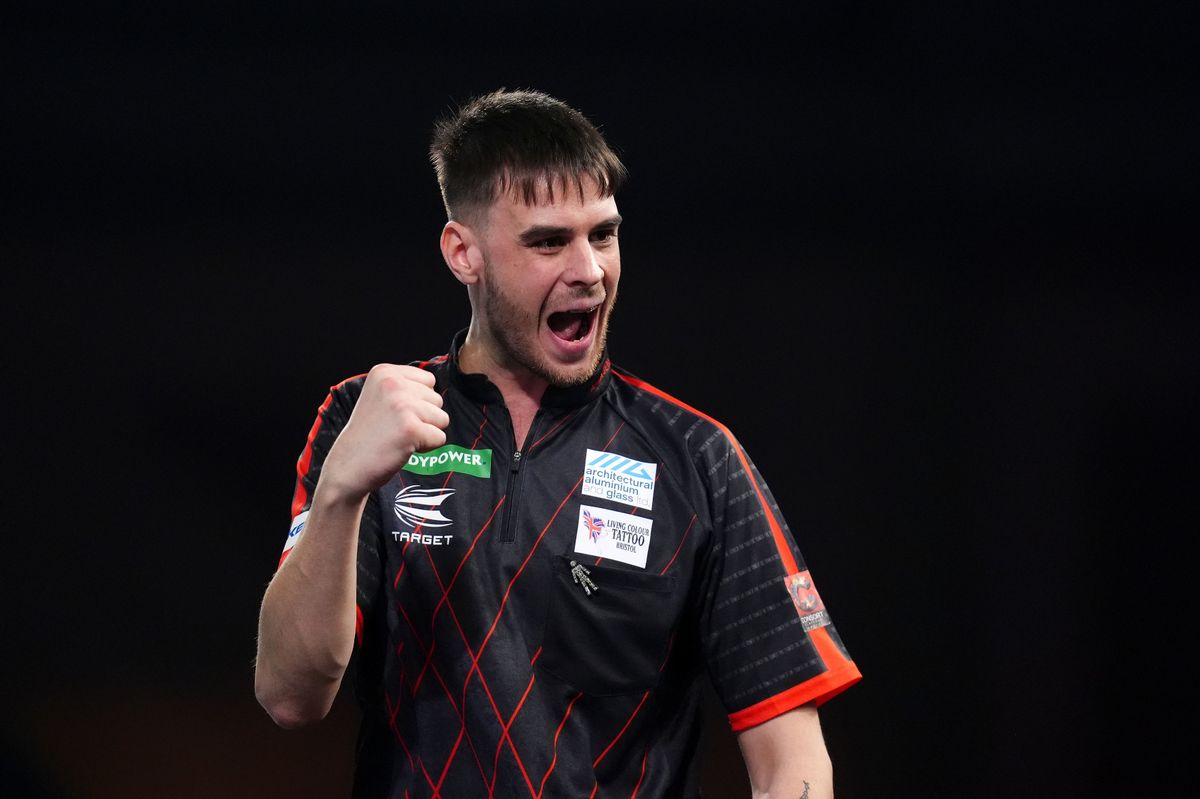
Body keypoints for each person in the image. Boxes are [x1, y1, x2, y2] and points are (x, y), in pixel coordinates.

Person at [254, 88, 862, 799]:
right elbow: (289, 694)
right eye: (548, 241)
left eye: (602, 234)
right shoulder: (366, 420)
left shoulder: (696, 458)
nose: (591, 270)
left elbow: (794, 764)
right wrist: (340, 493)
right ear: (464, 253)